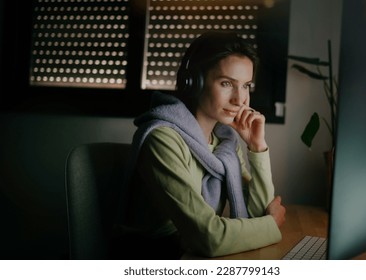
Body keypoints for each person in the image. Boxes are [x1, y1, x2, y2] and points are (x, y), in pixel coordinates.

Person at [117, 31, 286, 259]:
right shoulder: (162, 139)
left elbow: (258, 214)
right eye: (227, 83)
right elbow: (208, 237)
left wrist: (257, 147)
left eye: (246, 85)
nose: (240, 99)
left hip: (192, 256)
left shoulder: (224, 141)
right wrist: (271, 224)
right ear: (193, 82)